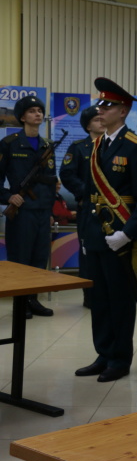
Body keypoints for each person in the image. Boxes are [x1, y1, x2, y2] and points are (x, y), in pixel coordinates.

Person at [74, 78, 137, 383]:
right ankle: (103, 353)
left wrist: (128, 233)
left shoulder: (136, 146)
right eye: (100, 105)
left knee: (119, 299)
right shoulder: (96, 146)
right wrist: (84, 232)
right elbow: (90, 195)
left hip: (119, 235)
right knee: (99, 299)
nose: (101, 110)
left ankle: (119, 359)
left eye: (108, 105)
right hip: (94, 233)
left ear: (123, 110)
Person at [0, 95, 56, 318]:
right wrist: (8, 197)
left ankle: (33, 300)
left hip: (42, 212)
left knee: (39, 258)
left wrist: (51, 211)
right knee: (21, 259)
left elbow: (51, 181)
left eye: (40, 110)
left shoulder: (47, 145)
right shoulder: (9, 143)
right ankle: (20, 304)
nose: (38, 114)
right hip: (21, 212)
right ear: (23, 117)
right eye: (32, 111)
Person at [60, 104, 104, 308]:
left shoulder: (113, 147)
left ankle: (107, 292)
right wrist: (86, 193)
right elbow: (67, 174)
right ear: (88, 126)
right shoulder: (78, 148)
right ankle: (90, 295)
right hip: (88, 207)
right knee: (87, 251)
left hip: (112, 208)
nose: (102, 121)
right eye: (97, 120)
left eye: (103, 118)